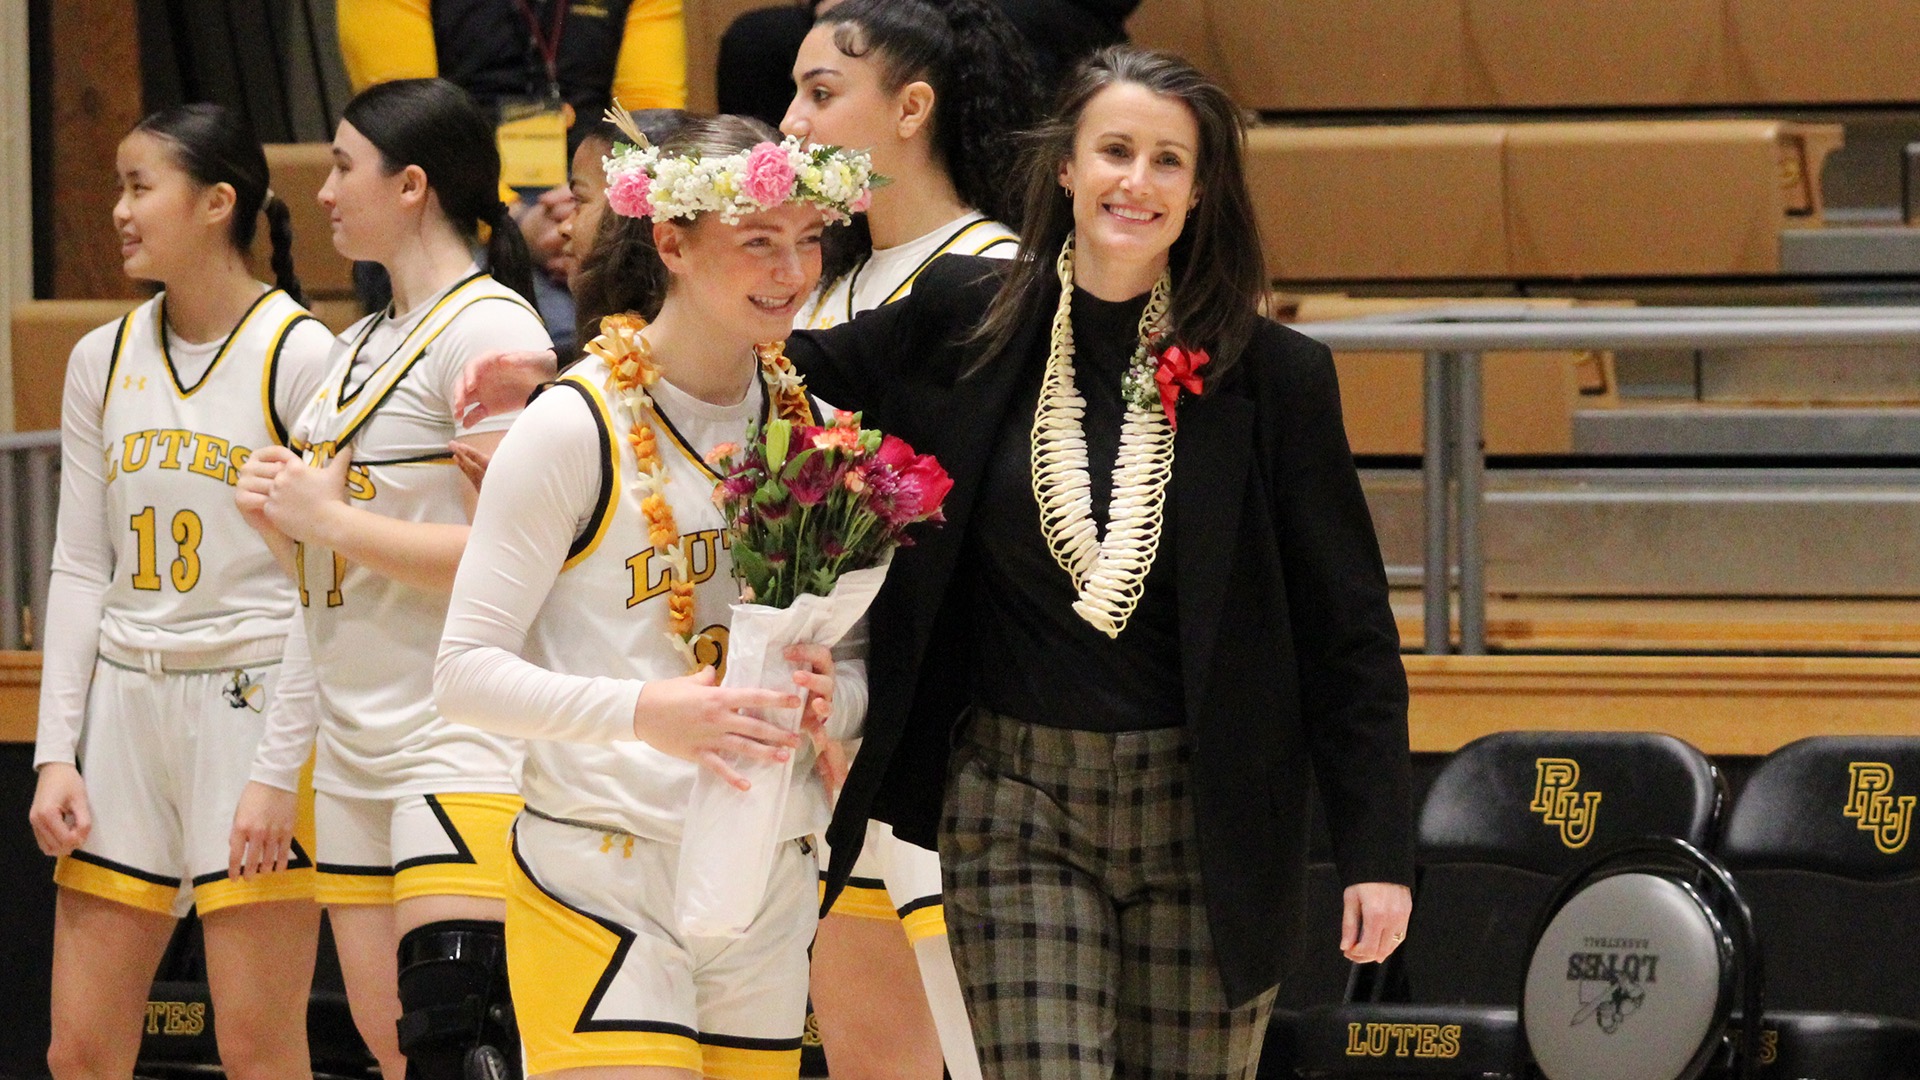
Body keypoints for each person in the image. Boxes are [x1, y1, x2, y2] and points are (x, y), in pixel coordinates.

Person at [783, 47, 1415, 1078]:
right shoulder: (963, 317)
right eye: (1115, 150)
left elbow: (1348, 637)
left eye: (1169, 161)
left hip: (1208, 815)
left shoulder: (1278, 378)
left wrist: (1377, 854)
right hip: (1014, 801)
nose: (1138, 179)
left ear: (1200, 191)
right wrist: (599, 378)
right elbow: (783, 375)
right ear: (1067, 169)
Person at [435, 114, 872, 1080]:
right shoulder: (571, 426)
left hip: (768, 868)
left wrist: (829, 702)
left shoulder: (825, 432)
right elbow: (463, 676)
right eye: (758, 241)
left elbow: (854, 673)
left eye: (808, 239)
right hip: (605, 871)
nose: (791, 269)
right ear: (671, 243)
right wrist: (646, 712)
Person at [229, 77, 552, 1080]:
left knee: (461, 1040)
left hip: (456, 737)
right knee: (389, 1047)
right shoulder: (354, 346)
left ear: (411, 185)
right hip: (357, 748)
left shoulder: (492, 335)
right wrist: (289, 532)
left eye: (340, 166)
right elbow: (333, 580)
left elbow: (523, 563)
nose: (321, 191)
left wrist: (326, 518)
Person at [28, 103, 334, 1080]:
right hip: (126, 706)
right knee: (77, 1050)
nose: (118, 210)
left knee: (255, 1046)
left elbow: (328, 592)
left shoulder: (302, 356)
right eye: (119, 185)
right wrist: (53, 754)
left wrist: (277, 771)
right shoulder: (100, 358)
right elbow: (81, 565)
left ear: (216, 203)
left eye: (137, 185)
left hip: (251, 707)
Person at [778, 2, 1035, 1077]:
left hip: (952, 738)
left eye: (821, 93)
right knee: (869, 1059)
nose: (788, 122)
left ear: (912, 108)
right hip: (823, 729)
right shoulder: (817, 287)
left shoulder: (1001, 277)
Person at [334, 0, 687, 351]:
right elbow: (407, 124)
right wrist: (514, 218)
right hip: (452, 201)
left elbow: (649, 124)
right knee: (553, 337)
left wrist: (597, 219)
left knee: (673, 306)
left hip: (597, 196)